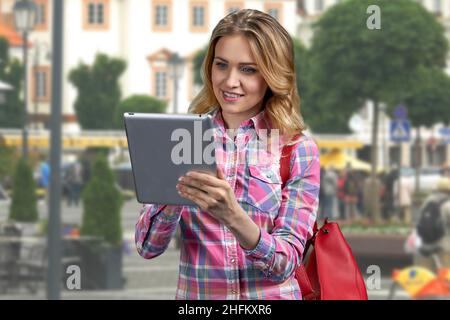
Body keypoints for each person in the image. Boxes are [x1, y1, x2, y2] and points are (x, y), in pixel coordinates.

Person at [135, 9, 320, 300]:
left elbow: (285, 263)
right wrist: (172, 196)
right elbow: (147, 248)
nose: (230, 81)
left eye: (248, 69)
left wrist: (233, 215)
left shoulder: (296, 149)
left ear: (272, 74)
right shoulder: (183, 139)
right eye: (222, 65)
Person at [415, 177, 450, 271]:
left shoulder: (427, 201)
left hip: (426, 243)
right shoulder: (447, 203)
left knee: (427, 275)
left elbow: (419, 220)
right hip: (444, 244)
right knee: (446, 274)